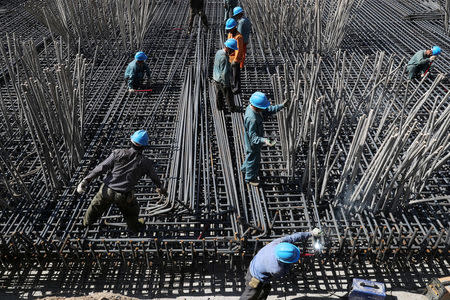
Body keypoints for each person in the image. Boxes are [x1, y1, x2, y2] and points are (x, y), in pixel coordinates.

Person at [76, 130, 167, 232]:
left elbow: (102, 167)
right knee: (132, 212)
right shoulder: (145, 162)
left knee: (95, 207)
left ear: (131, 141)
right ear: (144, 146)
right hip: (124, 195)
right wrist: (160, 188)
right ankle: (134, 227)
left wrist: (86, 180)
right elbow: (155, 178)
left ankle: (86, 223)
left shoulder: (117, 153)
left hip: (107, 190)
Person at [240, 228, 323, 300]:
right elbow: (284, 272)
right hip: (255, 276)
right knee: (250, 294)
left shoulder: (277, 243)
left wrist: (311, 233)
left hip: (257, 263)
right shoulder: (276, 268)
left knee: (265, 289)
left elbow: (294, 237)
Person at [241, 92, 289, 186]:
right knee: (254, 159)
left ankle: (244, 168)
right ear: (257, 107)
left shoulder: (254, 108)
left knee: (250, 157)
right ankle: (249, 178)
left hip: (254, 138)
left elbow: (268, 109)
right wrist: (265, 140)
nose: (264, 109)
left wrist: (281, 106)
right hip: (252, 143)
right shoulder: (252, 119)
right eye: (262, 108)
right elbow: (253, 138)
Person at [213, 38, 238, 112]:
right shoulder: (224, 57)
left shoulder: (219, 52)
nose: (233, 51)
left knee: (219, 94)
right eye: (233, 49)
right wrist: (226, 84)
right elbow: (224, 73)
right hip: (222, 80)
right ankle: (232, 109)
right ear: (228, 48)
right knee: (229, 95)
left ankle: (219, 107)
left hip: (216, 78)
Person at [226, 18, 245, 94]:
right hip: (230, 57)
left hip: (235, 59)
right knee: (230, 74)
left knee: (236, 75)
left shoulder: (239, 37)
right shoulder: (230, 34)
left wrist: (236, 60)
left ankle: (237, 88)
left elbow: (239, 49)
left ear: (235, 27)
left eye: (230, 28)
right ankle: (232, 86)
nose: (229, 30)